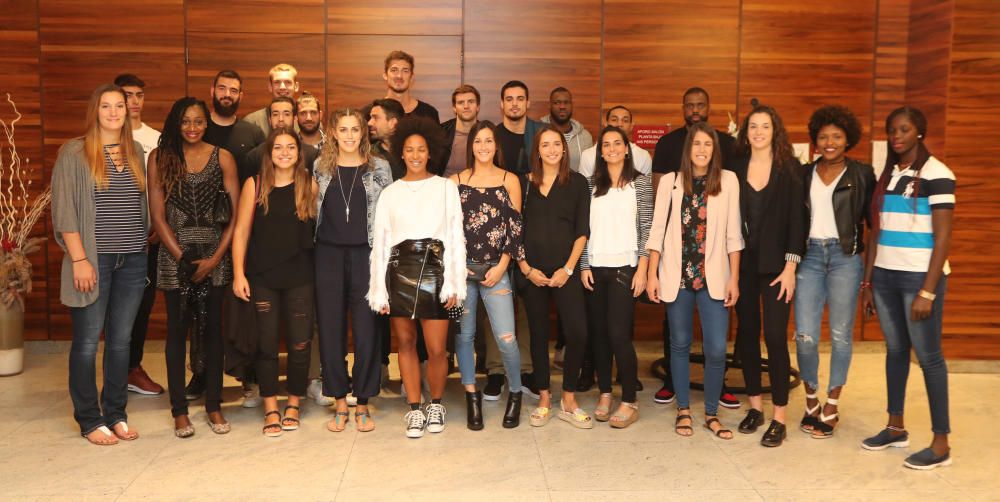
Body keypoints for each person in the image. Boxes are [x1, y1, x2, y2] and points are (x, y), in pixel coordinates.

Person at [52, 84, 149, 445]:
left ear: (128, 111)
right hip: (94, 260)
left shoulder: (135, 150)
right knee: (88, 342)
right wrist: (79, 259)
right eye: (106, 106)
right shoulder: (74, 152)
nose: (113, 112)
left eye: (119, 106)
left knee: (121, 342)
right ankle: (90, 419)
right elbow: (64, 211)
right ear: (95, 110)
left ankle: (116, 413)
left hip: (133, 260)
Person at [860, 107, 955, 470]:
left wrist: (928, 291)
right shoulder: (889, 176)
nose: (896, 135)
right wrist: (868, 282)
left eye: (904, 129)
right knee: (895, 350)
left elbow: (944, 237)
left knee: (929, 358)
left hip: (919, 278)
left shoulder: (938, 174)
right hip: (884, 276)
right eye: (891, 130)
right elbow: (876, 234)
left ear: (919, 132)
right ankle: (895, 426)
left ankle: (941, 442)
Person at [147, 97, 239, 438]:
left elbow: (232, 216)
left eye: (199, 121)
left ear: (206, 124)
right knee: (177, 332)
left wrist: (215, 258)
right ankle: (179, 411)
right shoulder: (160, 157)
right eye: (186, 121)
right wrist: (183, 258)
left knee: (213, 332)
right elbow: (157, 214)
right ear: (176, 122)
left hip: (215, 256)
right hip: (176, 255)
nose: (192, 128)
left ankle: (214, 405)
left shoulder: (223, 158)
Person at [368, 117, 465, 438]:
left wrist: (455, 282)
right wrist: (378, 290)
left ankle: (435, 403)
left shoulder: (445, 187)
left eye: (420, 149)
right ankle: (414, 408)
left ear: (430, 152)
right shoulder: (390, 193)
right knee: (406, 344)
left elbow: (455, 236)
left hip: (436, 270)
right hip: (399, 270)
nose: (415, 155)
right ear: (401, 153)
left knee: (437, 348)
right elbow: (380, 242)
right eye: (409, 150)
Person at [646, 122, 743, 439]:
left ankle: (712, 413)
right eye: (696, 144)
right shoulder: (670, 183)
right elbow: (657, 231)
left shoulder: (727, 181)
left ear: (714, 150)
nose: (701, 150)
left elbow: (733, 236)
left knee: (716, 349)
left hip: (714, 278)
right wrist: (652, 274)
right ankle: (684, 410)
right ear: (687, 150)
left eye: (708, 144)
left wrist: (734, 279)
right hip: (677, 278)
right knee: (680, 345)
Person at [231, 127, 318, 437]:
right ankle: (270, 407)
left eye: (290, 147)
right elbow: (241, 232)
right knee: (266, 345)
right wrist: (238, 273)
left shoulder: (310, 184)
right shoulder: (254, 185)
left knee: (299, 342)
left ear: (299, 153)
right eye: (278, 147)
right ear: (268, 153)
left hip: (301, 277)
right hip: (261, 276)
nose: (284, 152)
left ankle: (293, 402)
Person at [795, 105, 875, 439]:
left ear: (848, 139)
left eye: (837, 136)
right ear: (815, 139)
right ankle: (811, 398)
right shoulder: (803, 174)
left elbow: (875, 227)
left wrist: (869, 279)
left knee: (841, 336)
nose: (829, 142)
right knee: (805, 335)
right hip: (810, 256)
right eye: (824, 136)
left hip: (845, 258)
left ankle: (832, 403)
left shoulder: (862, 174)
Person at [314, 109, 392, 433]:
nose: (348, 135)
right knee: (330, 329)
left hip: (367, 254)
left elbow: (389, 215)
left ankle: (362, 402)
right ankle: (339, 402)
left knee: (366, 330)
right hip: (328, 254)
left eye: (354, 129)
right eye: (343, 129)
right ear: (333, 132)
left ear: (363, 133)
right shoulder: (320, 167)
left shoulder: (380, 168)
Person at [731, 104, 805, 447]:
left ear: (775, 130)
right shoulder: (735, 167)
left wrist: (791, 267)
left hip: (778, 269)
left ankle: (778, 416)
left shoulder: (789, 168)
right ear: (746, 133)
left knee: (775, 338)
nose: (759, 131)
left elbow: (797, 222)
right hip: (743, 266)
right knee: (746, 336)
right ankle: (755, 407)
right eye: (753, 127)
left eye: (765, 126)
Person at [449, 121, 525, 430]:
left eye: (488, 141)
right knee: (463, 337)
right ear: (471, 146)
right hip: (462, 271)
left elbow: (516, 228)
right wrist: (457, 264)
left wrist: (503, 265)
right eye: (478, 141)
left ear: (496, 146)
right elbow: (449, 229)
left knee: (506, 339)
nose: (483, 146)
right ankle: (471, 396)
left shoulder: (510, 180)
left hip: (498, 270)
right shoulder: (455, 181)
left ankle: (516, 393)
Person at [578, 125, 653, 428]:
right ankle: (606, 393)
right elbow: (581, 229)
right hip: (595, 268)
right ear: (600, 151)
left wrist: (644, 269)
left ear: (626, 148)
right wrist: (583, 266)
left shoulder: (642, 184)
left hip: (626, 267)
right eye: (605, 145)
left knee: (619, 335)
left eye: (616, 144)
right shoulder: (588, 185)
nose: (610, 149)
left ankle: (630, 399)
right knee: (599, 336)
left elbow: (648, 229)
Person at [517, 125, 591, 429]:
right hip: (532, 272)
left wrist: (568, 269)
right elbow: (514, 230)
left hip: (566, 271)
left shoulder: (577, 183)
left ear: (564, 149)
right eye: (544, 145)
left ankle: (569, 397)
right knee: (537, 334)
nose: (551, 150)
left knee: (577, 333)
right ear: (537, 151)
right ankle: (545, 396)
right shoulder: (523, 184)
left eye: (556, 144)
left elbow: (582, 231)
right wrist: (525, 268)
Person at [113, 73, 164, 396]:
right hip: (110, 240)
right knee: (111, 309)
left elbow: (166, 188)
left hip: (147, 240)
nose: (133, 101)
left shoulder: (155, 139)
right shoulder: (99, 137)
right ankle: (114, 373)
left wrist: (158, 228)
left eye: (138, 95)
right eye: (126, 95)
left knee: (141, 307)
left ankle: (133, 368)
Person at [652, 87, 736, 174]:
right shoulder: (666, 143)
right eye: (690, 106)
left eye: (700, 105)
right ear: (683, 109)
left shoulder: (728, 143)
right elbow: (658, 185)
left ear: (708, 108)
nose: (695, 110)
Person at [239, 96, 320, 183]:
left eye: (286, 114)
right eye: (275, 114)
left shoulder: (312, 154)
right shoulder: (254, 157)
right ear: (269, 120)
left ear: (294, 118)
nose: (281, 119)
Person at [203, 70, 266, 164]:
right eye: (222, 88)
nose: (227, 94)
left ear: (240, 97)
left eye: (233, 91)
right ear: (212, 91)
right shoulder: (199, 131)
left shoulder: (254, 133)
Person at [578, 105, 651, 177]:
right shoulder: (588, 155)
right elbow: (584, 186)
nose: (619, 124)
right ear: (606, 124)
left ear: (631, 126)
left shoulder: (643, 155)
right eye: (614, 120)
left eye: (625, 120)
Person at [496, 81, 544, 175]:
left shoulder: (542, 133)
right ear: (502, 104)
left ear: (528, 103)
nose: (514, 103)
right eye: (509, 99)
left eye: (520, 99)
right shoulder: (493, 136)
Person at [540, 87, 593, 172]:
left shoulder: (585, 137)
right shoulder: (537, 132)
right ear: (549, 105)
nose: (562, 107)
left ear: (572, 105)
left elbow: (590, 170)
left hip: (577, 184)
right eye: (557, 103)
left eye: (566, 102)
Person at [383, 50, 439, 122]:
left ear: (412, 77)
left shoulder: (429, 113)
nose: (399, 76)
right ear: (385, 75)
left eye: (405, 71)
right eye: (394, 70)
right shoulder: (370, 114)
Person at [243, 63, 300, 135]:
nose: (282, 87)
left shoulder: (306, 120)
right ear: (270, 86)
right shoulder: (252, 122)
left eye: (288, 82)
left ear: (296, 86)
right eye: (277, 82)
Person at [441, 84, 481, 178]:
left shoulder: (487, 133)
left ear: (478, 107)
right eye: (461, 102)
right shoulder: (441, 132)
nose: (466, 106)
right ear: (454, 108)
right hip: (446, 188)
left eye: (471, 102)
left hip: (477, 189)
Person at [368, 98, 405, 180]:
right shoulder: (369, 154)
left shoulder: (412, 151)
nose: (369, 123)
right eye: (371, 118)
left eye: (375, 118)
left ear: (392, 123)